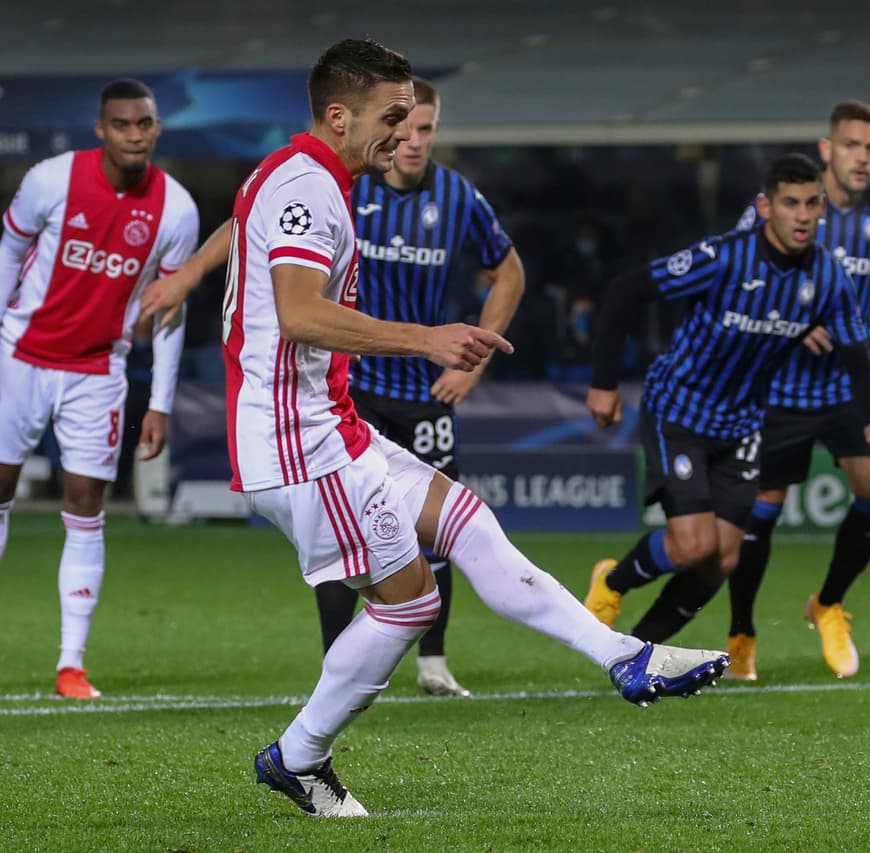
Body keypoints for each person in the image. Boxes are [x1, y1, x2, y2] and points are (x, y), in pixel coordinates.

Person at [174, 38, 726, 818]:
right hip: (297, 441)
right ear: (339, 116)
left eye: (412, 118)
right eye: (391, 117)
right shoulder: (307, 188)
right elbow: (297, 312)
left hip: (331, 422)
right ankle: (299, 755)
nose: (404, 133)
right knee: (409, 603)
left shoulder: (309, 176)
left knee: (467, 521)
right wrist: (425, 338)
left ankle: (625, 656)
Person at [142, 77, 527, 698]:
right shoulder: (349, 182)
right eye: (402, 124)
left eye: (425, 128)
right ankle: (338, 664)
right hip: (352, 384)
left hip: (424, 389)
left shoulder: (459, 198)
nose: (411, 139)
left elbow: (509, 272)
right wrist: (189, 275)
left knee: (439, 531)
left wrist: (471, 363)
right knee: (345, 538)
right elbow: (250, 225)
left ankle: (433, 663)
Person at [584, 153, 870, 649]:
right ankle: (613, 582)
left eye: (811, 203)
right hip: (680, 411)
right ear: (765, 207)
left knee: (723, 559)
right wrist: (604, 383)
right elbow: (627, 290)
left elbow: (859, 357)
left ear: (822, 210)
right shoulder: (724, 258)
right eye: (790, 203)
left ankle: (639, 653)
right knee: (694, 546)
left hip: (743, 426)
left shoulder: (829, 277)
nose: (801, 215)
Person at [726, 100, 870, 681]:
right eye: (851, 145)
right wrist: (793, 320)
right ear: (827, 149)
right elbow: (736, 274)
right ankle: (741, 633)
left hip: (849, 386)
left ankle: (828, 603)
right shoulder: (781, 205)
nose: (862, 157)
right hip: (777, 386)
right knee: (758, 515)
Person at [0, 79, 198, 699]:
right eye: (121, 125)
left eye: (144, 124)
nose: (134, 135)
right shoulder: (51, 179)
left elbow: (170, 312)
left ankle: (71, 665)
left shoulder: (177, 210)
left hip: (98, 371)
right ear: (101, 130)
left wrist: (159, 402)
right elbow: (9, 251)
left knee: (87, 503)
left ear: (156, 129)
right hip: (21, 357)